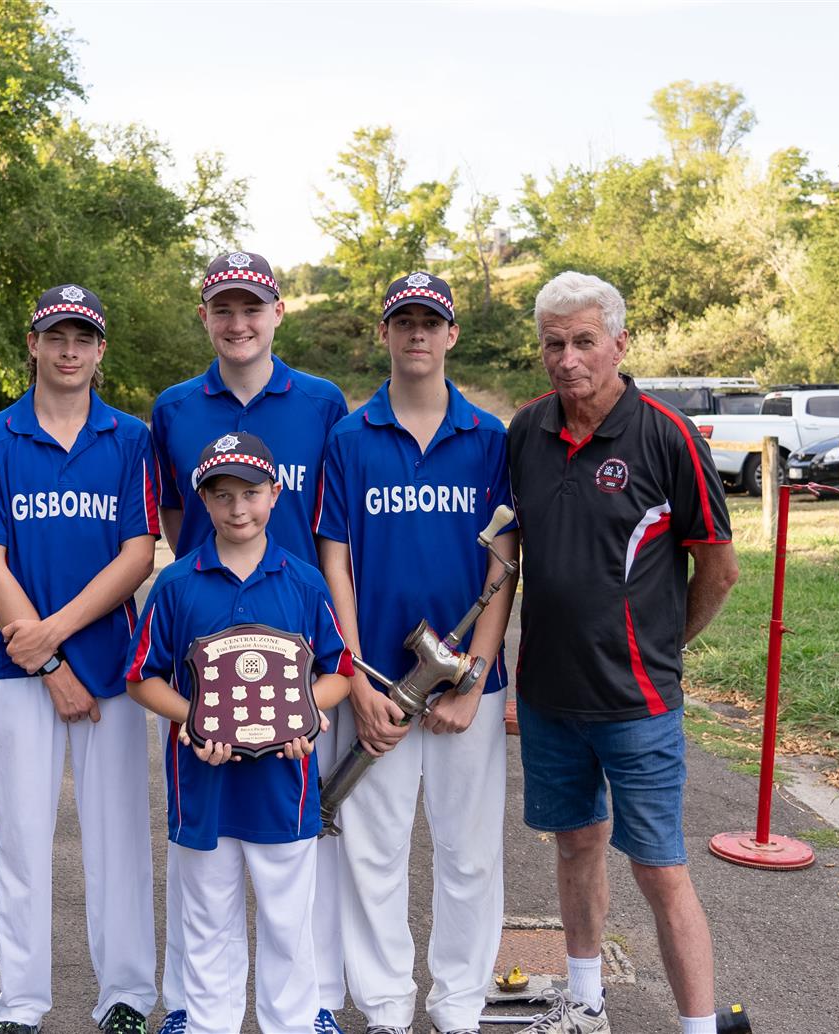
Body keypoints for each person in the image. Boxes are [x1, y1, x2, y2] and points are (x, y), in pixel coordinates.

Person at [505, 271, 739, 1034]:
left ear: (618, 343)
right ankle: (586, 1005)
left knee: (659, 868)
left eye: (583, 341)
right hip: (547, 698)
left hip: (637, 702)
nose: (568, 358)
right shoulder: (527, 431)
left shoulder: (666, 436)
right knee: (575, 849)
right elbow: (512, 555)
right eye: (553, 343)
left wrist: (664, 649)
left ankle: (698, 1027)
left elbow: (719, 566)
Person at [0, 284, 160, 1034]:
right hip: (20, 677)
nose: (69, 350)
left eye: (83, 337)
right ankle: (22, 1006)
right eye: (55, 335)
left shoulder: (130, 438)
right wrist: (45, 665)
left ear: (100, 351)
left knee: (119, 843)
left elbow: (138, 554)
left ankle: (127, 998)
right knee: (22, 840)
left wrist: (58, 637)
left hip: (110, 672)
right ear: (33, 344)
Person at [150, 252, 351, 1033]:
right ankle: (195, 1009)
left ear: (276, 312)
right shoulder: (173, 407)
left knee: (296, 846)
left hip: (297, 627)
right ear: (205, 315)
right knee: (202, 852)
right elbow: (174, 518)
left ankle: (309, 1007)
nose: (238, 323)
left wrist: (315, 685)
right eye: (223, 309)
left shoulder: (323, 401)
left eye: (252, 308)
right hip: (208, 630)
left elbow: (332, 523)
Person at [316, 273, 518, 1034]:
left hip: (469, 681)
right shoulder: (349, 437)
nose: (418, 335)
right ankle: (388, 1008)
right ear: (386, 334)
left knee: (468, 854)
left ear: (452, 335)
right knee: (372, 849)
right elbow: (335, 561)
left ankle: (460, 1006)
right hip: (380, 681)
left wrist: (477, 680)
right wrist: (355, 676)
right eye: (404, 321)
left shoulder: (489, 440)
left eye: (431, 322)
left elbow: (504, 567)